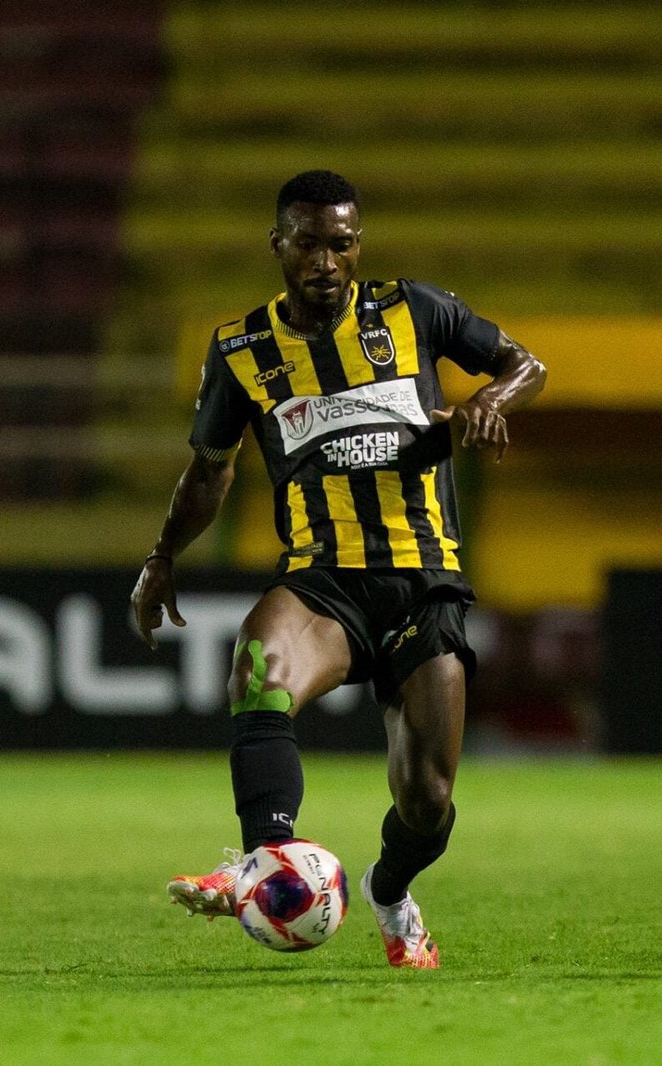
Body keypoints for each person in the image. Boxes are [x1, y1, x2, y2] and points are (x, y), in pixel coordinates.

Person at [131, 170, 546, 968]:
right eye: (310, 243)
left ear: (359, 245)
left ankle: (389, 892)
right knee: (259, 668)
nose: (327, 261)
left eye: (343, 244)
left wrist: (498, 399)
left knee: (426, 802)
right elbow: (210, 471)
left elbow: (526, 364)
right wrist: (162, 556)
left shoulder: (414, 310)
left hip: (424, 579)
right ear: (279, 244)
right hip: (323, 580)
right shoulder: (242, 351)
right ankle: (262, 864)